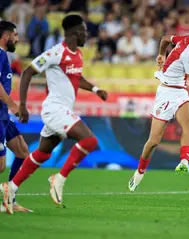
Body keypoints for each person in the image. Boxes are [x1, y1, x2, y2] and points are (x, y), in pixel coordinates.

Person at [0, 15, 108, 215]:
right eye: (84, 30)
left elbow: (77, 78)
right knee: (90, 140)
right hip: (54, 109)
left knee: (42, 152)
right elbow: (27, 73)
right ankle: (59, 178)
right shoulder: (55, 53)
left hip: (63, 110)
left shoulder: (79, 55)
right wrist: (21, 105)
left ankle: (11, 188)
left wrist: (95, 89)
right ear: (75, 32)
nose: (87, 34)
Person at [128, 19, 189, 192]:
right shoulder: (188, 54)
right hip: (165, 94)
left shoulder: (186, 40)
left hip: (180, 91)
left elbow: (165, 38)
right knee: (153, 141)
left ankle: (184, 161)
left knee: (188, 125)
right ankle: (139, 172)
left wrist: (161, 54)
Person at [0, 20, 32, 213]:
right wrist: (13, 105)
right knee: (1, 166)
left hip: (3, 114)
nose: (17, 39)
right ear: (5, 36)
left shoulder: (4, 55)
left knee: (21, 151)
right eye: (15, 35)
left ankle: (9, 200)